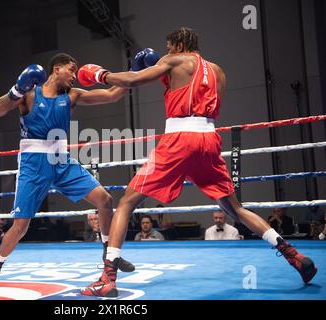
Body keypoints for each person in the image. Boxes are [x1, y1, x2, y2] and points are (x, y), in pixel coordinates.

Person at [78, 27, 317, 297]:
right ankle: (293, 255)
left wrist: (101, 74)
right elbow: (197, 97)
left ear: (178, 45)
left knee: (126, 202)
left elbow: (133, 80)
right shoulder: (218, 71)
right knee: (235, 209)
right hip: (209, 139)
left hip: (179, 139)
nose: (166, 52)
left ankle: (108, 279)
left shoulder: (175, 60)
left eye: (169, 47)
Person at [0, 53, 135, 291]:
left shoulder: (72, 96)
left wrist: (135, 72)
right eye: (71, 69)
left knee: (105, 199)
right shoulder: (29, 93)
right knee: (20, 225)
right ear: (56, 69)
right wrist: (17, 89)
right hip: (33, 163)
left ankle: (107, 255)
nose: (74, 75)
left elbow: (112, 95)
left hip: (62, 160)